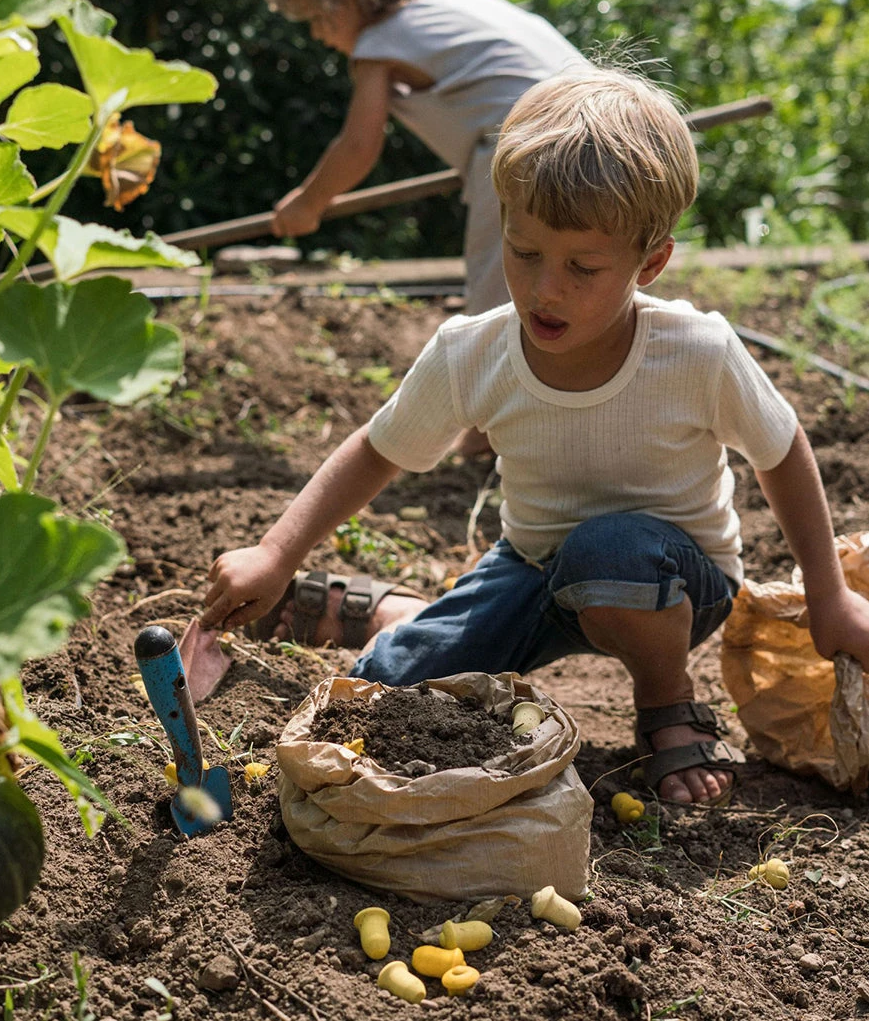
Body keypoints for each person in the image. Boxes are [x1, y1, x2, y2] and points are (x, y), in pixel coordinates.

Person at [200, 66, 869, 806]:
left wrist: (828, 595)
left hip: (673, 582)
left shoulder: (696, 352)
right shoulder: (472, 352)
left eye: (582, 266)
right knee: (380, 698)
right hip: (532, 568)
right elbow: (376, 448)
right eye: (523, 252)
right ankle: (399, 611)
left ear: (648, 263)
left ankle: (665, 701)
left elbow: (781, 451)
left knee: (608, 551)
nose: (544, 289)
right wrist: (275, 551)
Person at [263, 0, 585, 318]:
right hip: (606, 127)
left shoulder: (378, 43)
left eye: (315, 21)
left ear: (342, 4)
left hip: (527, 151)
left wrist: (308, 203)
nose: (318, 35)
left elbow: (357, 146)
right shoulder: (452, 5)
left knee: (498, 317)